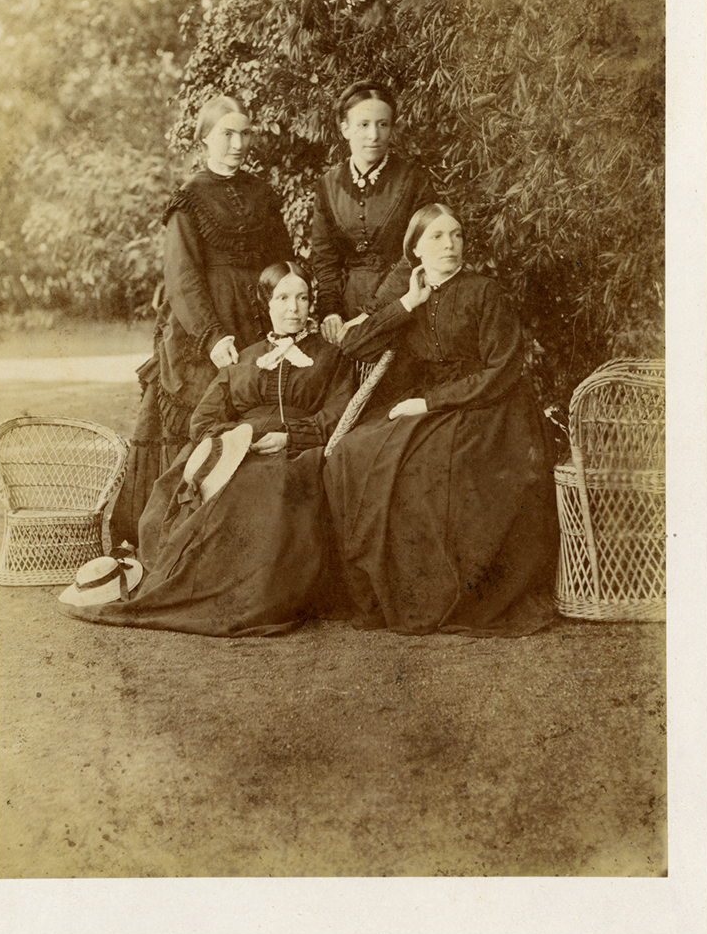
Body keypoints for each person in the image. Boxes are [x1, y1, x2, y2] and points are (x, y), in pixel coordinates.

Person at [61, 263, 354, 637]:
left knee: (267, 486)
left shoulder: (331, 357)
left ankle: (248, 595)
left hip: (295, 450)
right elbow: (203, 419)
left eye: (302, 298)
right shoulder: (243, 358)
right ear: (266, 303)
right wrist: (234, 439)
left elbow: (339, 413)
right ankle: (193, 583)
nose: (293, 308)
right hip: (235, 446)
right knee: (185, 484)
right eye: (282, 298)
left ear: (311, 303)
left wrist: (291, 436)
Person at [323, 204, 559, 637]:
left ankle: (441, 595)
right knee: (352, 453)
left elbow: (503, 370)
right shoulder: (411, 297)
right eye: (436, 236)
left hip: (491, 409)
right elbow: (353, 345)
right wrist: (407, 303)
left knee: (427, 467)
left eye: (456, 235)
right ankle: (388, 592)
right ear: (414, 249)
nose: (450, 245)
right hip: (431, 405)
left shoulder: (484, 292)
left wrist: (429, 402)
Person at [110, 94, 293, 546]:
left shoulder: (262, 194)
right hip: (205, 327)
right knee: (201, 421)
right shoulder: (189, 199)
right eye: (226, 134)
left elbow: (282, 260)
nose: (237, 144)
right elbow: (182, 278)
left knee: (256, 418)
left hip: (258, 320)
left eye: (244, 134)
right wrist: (212, 336)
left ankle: (247, 537)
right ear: (204, 138)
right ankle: (178, 535)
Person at [310, 79, 436, 345]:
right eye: (363, 125)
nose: (374, 135)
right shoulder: (327, 186)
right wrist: (330, 311)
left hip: (404, 303)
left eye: (383, 124)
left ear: (392, 128)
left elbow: (418, 252)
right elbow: (325, 258)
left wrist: (374, 312)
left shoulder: (414, 180)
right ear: (345, 129)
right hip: (345, 308)